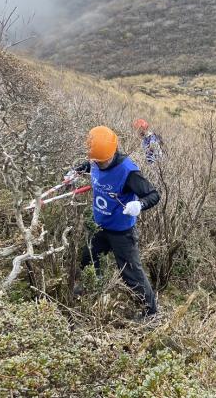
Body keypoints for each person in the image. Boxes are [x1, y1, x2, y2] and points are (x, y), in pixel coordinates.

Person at [73, 125, 160, 318]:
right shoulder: (96, 159)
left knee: (131, 274)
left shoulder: (128, 171)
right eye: (96, 161)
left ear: (112, 152)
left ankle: (151, 312)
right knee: (88, 258)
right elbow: (92, 166)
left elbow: (154, 195)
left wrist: (140, 205)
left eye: (102, 162)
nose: (99, 165)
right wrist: (79, 169)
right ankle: (92, 290)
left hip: (122, 232)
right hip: (99, 225)